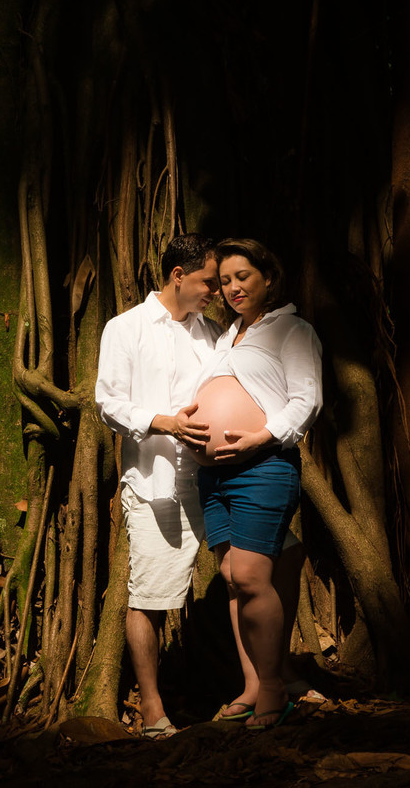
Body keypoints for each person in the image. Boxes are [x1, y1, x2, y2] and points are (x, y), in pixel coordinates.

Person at [188, 237, 323, 730]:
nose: (232, 289)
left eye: (242, 277)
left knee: (249, 576)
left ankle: (273, 689)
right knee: (230, 579)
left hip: (263, 466)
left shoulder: (292, 329)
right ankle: (251, 685)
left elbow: (305, 401)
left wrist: (259, 438)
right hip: (214, 474)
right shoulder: (226, 338)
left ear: (268, 278)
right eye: (224, 282)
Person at [94, 233, 221, 739]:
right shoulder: (125, 329)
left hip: (214, 477)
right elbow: (107, 401)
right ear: (177, 276)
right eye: (208, 281)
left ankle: (264, 687)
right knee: (149, 594)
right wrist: (162, 422)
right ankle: (152, 709)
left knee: (250, 569)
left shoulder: (210, 334)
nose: (216, 290)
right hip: (154, 481)